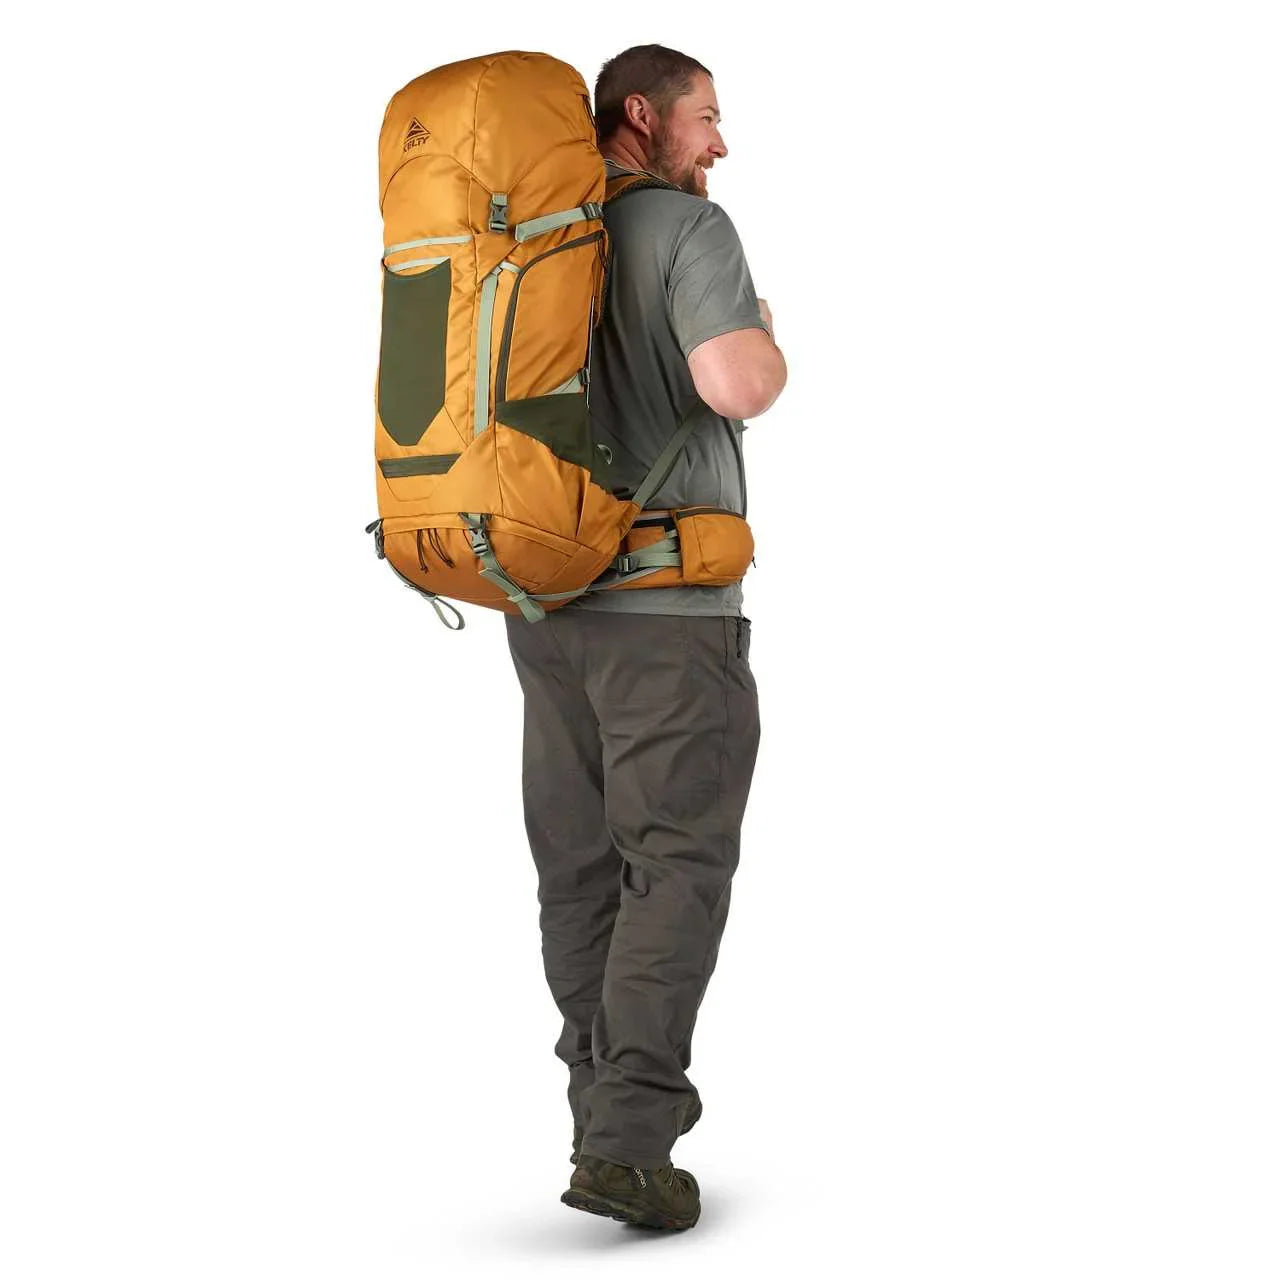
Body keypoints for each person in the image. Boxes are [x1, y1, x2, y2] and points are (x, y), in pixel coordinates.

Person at [502, 43, 788, 1230]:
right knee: (673, 863)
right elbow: (736, 384)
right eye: (705, 118)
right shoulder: (685, 229)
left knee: (580, 869)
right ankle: (627, 1141)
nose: (718, 142)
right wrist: (763, 332)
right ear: (641, 117)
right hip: (668, 619)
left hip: (550, 604)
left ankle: (596, 1118)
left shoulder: (534, 237)